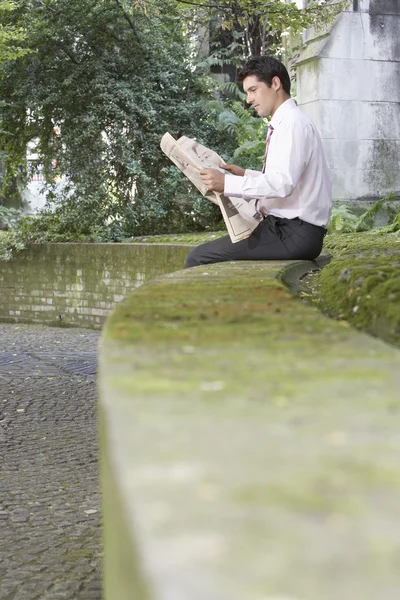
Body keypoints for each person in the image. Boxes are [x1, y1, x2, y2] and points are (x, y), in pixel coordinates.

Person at [185, 56, 332, 268]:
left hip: (294, 233)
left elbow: (282, 184)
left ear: (275, 83)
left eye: (253, 90)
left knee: (198, 258)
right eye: (247, 92)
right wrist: (245, 175)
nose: (248, 99)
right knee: (206, 253)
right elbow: (287, 179)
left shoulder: (293, 124)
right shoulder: (287, 122)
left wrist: (226, 184)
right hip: (288, 229)